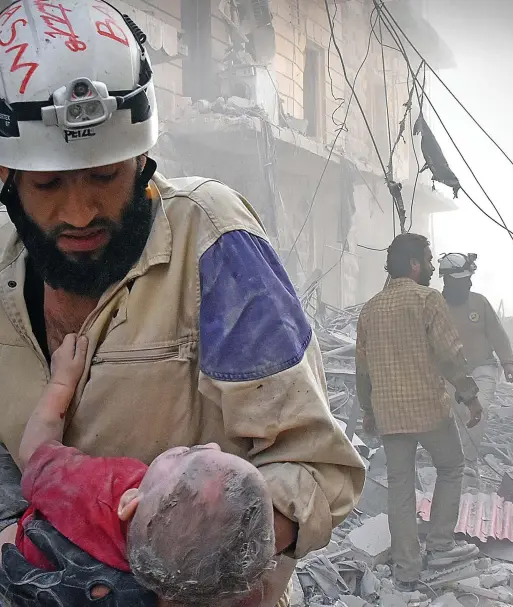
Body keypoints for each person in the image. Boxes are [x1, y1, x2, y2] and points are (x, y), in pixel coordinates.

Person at [0, 2, 365, 605]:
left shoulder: (216, 246)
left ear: (143, 156)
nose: (80, 211)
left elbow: (319, 471)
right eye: (48, 185)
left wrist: (184, 567)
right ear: (7, 173)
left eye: (105, 176)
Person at [0, 333, 276, 607]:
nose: (211, 445)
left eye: (186, 456)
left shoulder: (101, 489)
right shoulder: (197, 589)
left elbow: (33, 453)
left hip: (21, 560)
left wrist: (61, 383)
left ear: (129, 502)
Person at [355, 233, 482, 591]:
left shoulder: (370, 309)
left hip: (391, 416)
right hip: (430, 410)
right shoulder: (428, 299)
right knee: (451, 466)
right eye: (427, 260)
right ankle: (441, 545)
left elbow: (362, 370)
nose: (431, 267)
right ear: (414, 264)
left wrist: (368, 410)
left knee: (400, 487)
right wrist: (469, 394)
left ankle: (406, 571)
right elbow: (449, 354)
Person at [439, 253, 513, 473]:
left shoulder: (479, 302)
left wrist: (508, 362)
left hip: (483, 368)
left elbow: (496, 333)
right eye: (464, 281)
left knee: (477, 409)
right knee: (455, 416)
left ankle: (467, 462)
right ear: (449, 282)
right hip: (450, 373)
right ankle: (455, 461)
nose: (470, 283)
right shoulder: (435, 306)